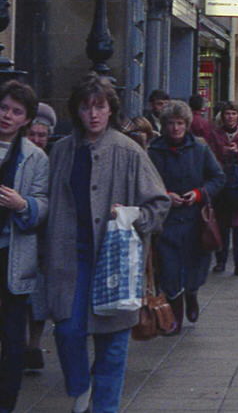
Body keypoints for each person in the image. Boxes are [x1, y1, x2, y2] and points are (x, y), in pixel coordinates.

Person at [44, 75, 169, 413]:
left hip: (114, 260)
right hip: (69, 259)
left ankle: (106, 408)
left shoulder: (128, 151)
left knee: (112, 344)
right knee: (67, 331)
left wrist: (132, 215)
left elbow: (158, 205)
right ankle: (80, 385)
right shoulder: (62, 150)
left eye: (99, 107)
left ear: (110, 109)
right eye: (86, 108)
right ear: (77, 111)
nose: (93, 115)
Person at [145, 100, 224, 333]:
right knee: (168, 270)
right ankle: (174, 316)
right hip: (166, 220)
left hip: (195, 220)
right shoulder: (153, 151)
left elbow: (217, 178)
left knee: (194, 267)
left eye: (180, 123)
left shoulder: (200, 149)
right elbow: (146, 183)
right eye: (170, 123)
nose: (175, 129)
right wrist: (165, 195)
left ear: (187, 124)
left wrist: (199, 193)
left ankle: (192, 294)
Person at [0, 81, 48, 413]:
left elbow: (44, 205)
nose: (7, 116)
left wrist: (23, 204)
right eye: (3, 108)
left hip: (12, 255)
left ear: (26, 119)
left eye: (16, 112)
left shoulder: (36, 158)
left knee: (13, 338)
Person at [208, 101, 238, 276]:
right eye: (227, 113)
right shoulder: (215, 135)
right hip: (222, 184)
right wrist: (223, 152)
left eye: (233, 114)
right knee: (222, 225)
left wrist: (237, 153)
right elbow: (211, 158)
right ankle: (221, 261)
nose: (230, 117)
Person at [23, 103, 54, 374]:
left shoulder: (52, 161)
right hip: (20, 237)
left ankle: (33, 345)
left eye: (42, 135)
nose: (37, 139)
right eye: (33, 134)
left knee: (39, 298)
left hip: (44, 240)